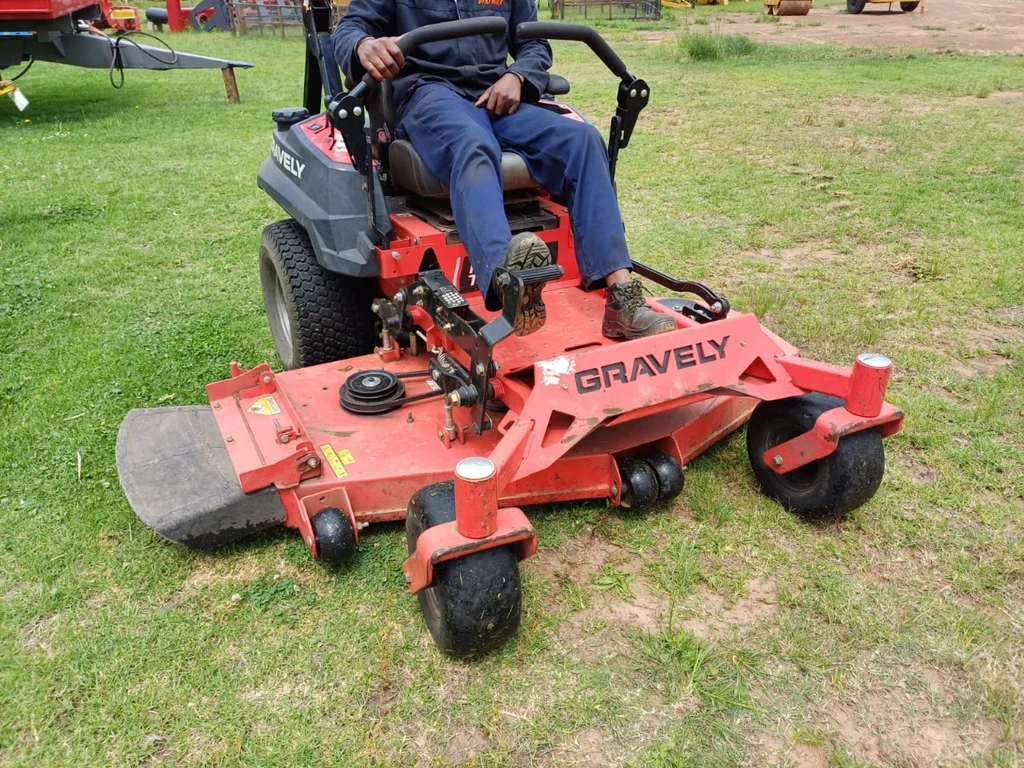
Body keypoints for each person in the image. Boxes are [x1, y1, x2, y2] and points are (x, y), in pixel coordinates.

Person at [333, 0, 675, 340]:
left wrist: (518, 75)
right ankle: (510, 283)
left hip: (496, 94)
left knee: (583, 140)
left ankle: (622, 299)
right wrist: (364, 45)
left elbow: (534, 43)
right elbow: (350, 29)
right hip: (429, 93)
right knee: (473, 144)